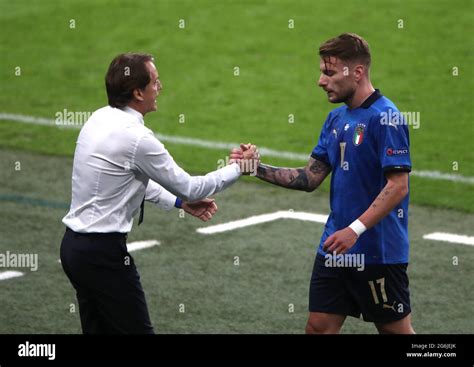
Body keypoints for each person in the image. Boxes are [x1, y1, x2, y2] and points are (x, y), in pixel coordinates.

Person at [60, 53, 258, 334]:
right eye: (155, 81)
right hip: (103, 255)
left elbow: (132, 180)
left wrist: (179, 202)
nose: (160, 87)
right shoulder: (138, 139)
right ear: (138, 92)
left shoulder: (98, 119)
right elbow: (191, 186)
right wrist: (239, 168)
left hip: (74, 250)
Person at [231, 33, 415, 334]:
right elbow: (309, 178)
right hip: (334, 247)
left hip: (378, 252)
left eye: (328, 73)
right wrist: (254, 168)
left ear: (357, 72)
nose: (320, 80)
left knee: (396, 333)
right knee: (318, 329)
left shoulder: (387, 118)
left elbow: (398, 186)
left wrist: (354, 231)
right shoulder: (335, 120)